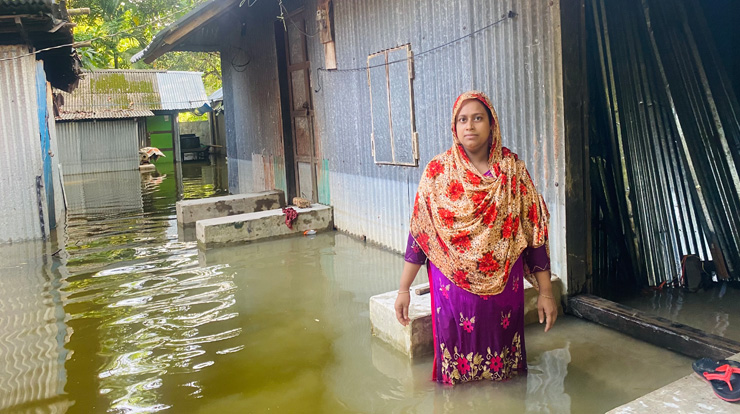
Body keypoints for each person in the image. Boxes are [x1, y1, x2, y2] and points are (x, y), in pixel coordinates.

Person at [394, 90, 557, 385]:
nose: (470, 126)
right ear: (454, 128)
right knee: (456, 374)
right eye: (462, 119)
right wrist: (403, 289)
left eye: (478, 118)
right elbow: (420, 234)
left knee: (503, 374)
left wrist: (546, 293)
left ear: (492, 124)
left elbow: (534, 232)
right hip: (452, 291)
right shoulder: (437, 172)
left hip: (504, 288)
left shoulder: (513, 171)